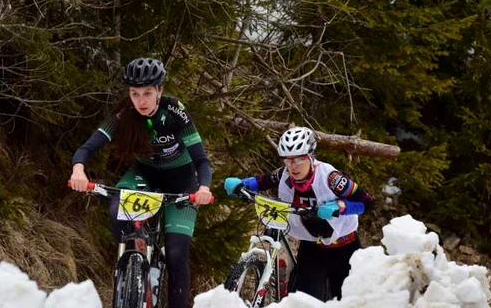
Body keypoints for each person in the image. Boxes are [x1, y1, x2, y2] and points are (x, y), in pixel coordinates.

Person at [69, 57, 213, 308]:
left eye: (147, 93)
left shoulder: (175, 111)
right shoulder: (124, 113)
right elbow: (87, 148)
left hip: (181, 181)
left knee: (177, 255)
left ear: (160, 91)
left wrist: (204, 188)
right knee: (117, 211)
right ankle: (134, 262)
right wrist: (78, 170)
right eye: (135, 94)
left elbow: (202, 160)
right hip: (143, 176)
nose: (141, 101)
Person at [223, 126, 374, 301]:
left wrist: (340, 206)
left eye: (299, 160)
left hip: (343, 246)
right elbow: (262, 181)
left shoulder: (332, 179)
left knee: (348, 300)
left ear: (310, 157)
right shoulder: (285, 174)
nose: (292, 167)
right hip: (313, 246)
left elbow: (367, 202)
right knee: (303, 301)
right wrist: (241, 184)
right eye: (287, 161)